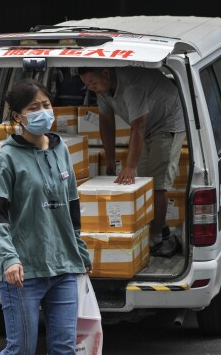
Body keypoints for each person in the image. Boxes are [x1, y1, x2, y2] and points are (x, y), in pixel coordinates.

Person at [0, 80, 92, 355]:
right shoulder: (7, 158)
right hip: (23, 272)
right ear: (19, 116)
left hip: (63, 267)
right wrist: (9, 258)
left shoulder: (60, 148)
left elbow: (72, 204)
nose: (43, 112)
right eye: (34, 108)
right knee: (20, 351)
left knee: (64, 351)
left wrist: (80, 249)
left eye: (46, 105)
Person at [78, 67, 185, 257]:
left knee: (158, 184)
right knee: (143, 182)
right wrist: (110, 161)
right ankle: (155, 229)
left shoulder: (131, 87)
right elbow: (106, 121)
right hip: (146, 125)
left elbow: (138, 127)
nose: (91, 88)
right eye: (86, 85)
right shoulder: (103, 90)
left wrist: (129, 166)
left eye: (92, 83)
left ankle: (157, 239)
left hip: (167, 120)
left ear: (106, 73)